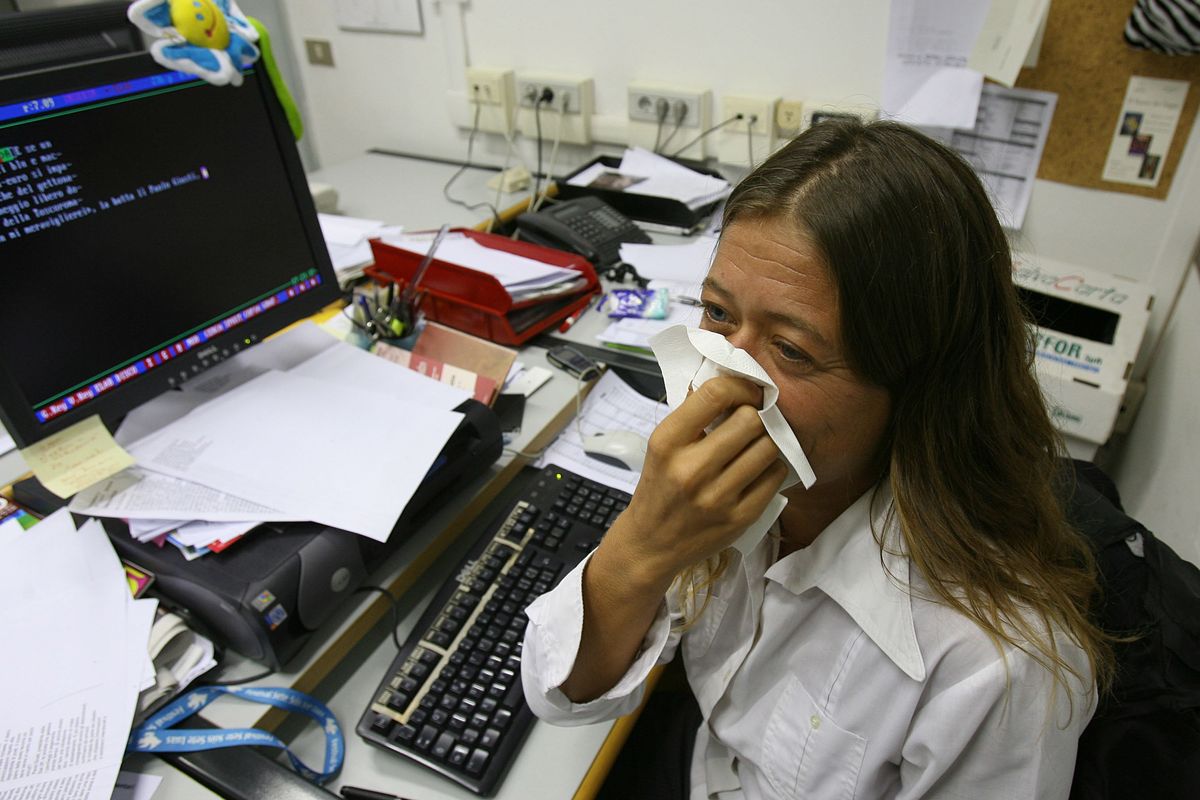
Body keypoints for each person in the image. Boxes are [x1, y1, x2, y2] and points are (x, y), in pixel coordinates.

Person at [520, 119, 1113, 799]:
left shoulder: (994, 668)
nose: (723, 380)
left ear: (915, 387)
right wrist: (642, 546)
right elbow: (562, 691)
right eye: (717, 313)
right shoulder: (740, 495)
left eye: (792, 350)